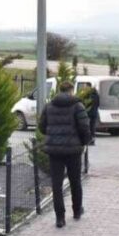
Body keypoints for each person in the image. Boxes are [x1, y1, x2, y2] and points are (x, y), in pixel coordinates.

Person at [38, 80, 91, 228]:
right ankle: (77, 210)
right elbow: (84, 127)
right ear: (71, 91)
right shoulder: (78, 106)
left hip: (54, 152)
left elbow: (42, 126)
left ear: (59, 90)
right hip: (73, 151)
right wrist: (84, 142)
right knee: (75, 181)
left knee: (57, 184)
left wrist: (52, 135)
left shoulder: (49, 106)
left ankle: (60, 218)